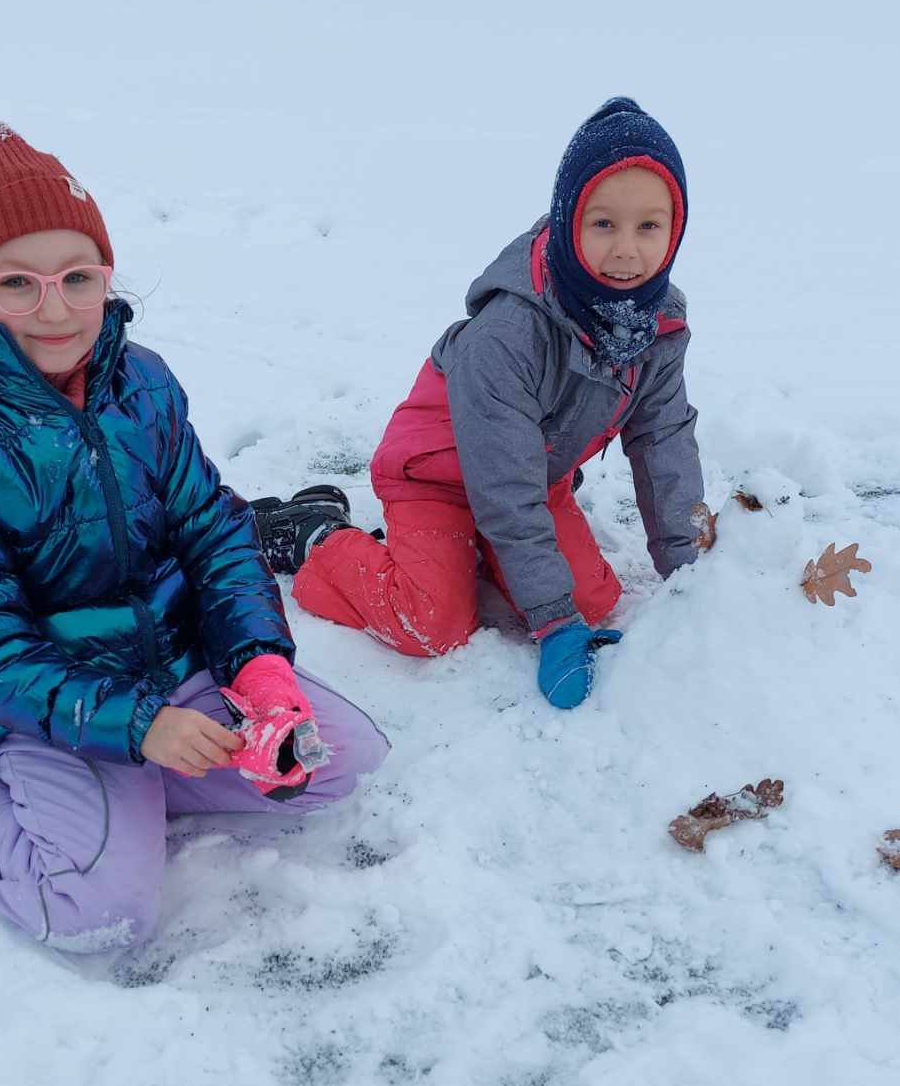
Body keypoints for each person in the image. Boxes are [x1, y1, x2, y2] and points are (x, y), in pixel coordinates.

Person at [0, 124, 386, 950]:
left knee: (334, 764)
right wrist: (136, 727)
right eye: (18, 284)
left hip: (171, 666)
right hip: (46, 702)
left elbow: (211, 528)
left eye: (80, 278)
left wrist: (258, 666)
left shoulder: (138, 380)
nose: (57, 308)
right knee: (102, 913)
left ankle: (122, 805)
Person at [252, 98, 712, 709]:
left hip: (532, 475)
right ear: (568, 220)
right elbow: (502, 486)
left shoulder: (660, 325)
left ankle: (476, 557)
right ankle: (315, 535)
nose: (627, 250)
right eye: (604, 224)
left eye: (648, 227)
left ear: (675, 228)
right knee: (432, 624)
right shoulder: (508, 333)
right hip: (437, 476)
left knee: (595, 600)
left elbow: (663, 442)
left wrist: (694, 576)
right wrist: (551, 620)